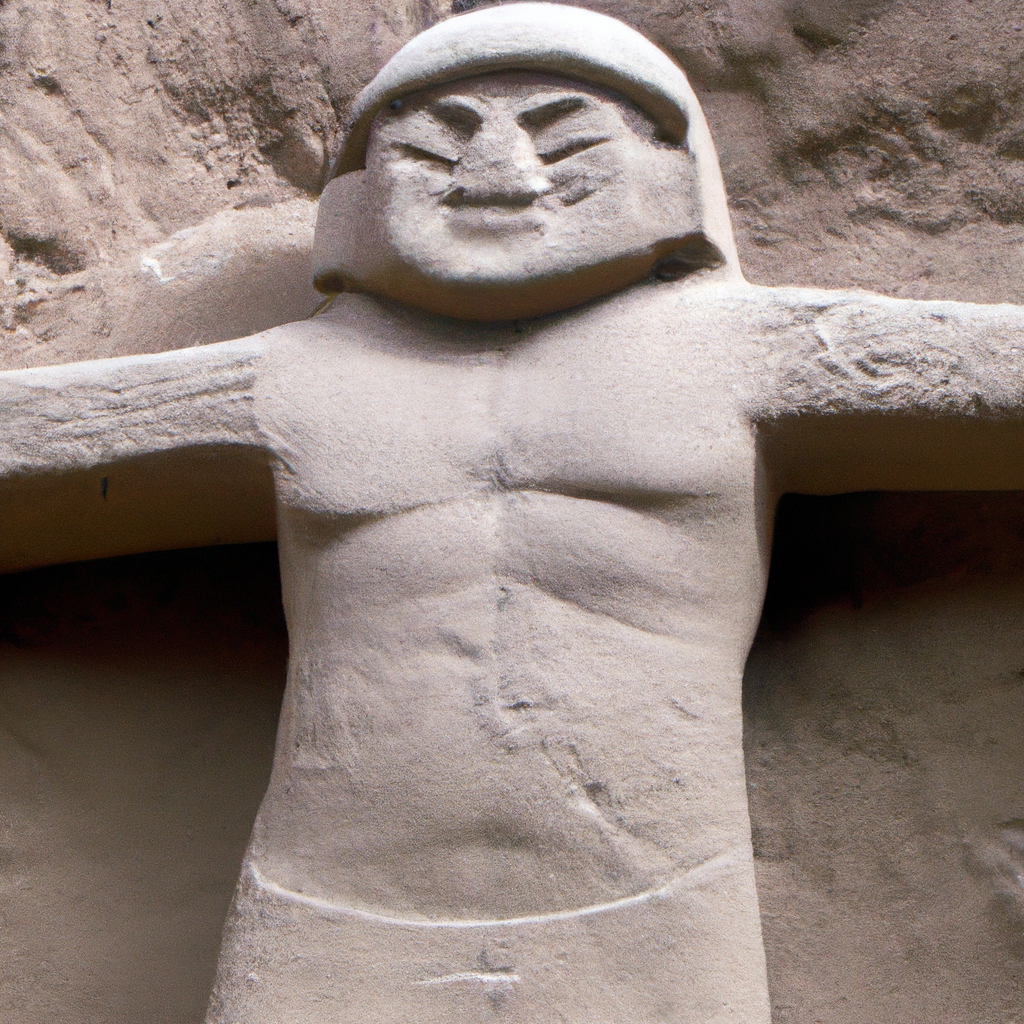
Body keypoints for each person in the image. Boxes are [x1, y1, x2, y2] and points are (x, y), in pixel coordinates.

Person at [2, 5, 1022, 1021]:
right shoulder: (293, 379)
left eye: (564, 139)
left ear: (671, 173)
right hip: (326, 908)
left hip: (656, 904)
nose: (495, 169)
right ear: (358, 194)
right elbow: (44, 436)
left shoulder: (751, 353)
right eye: (432, 145)